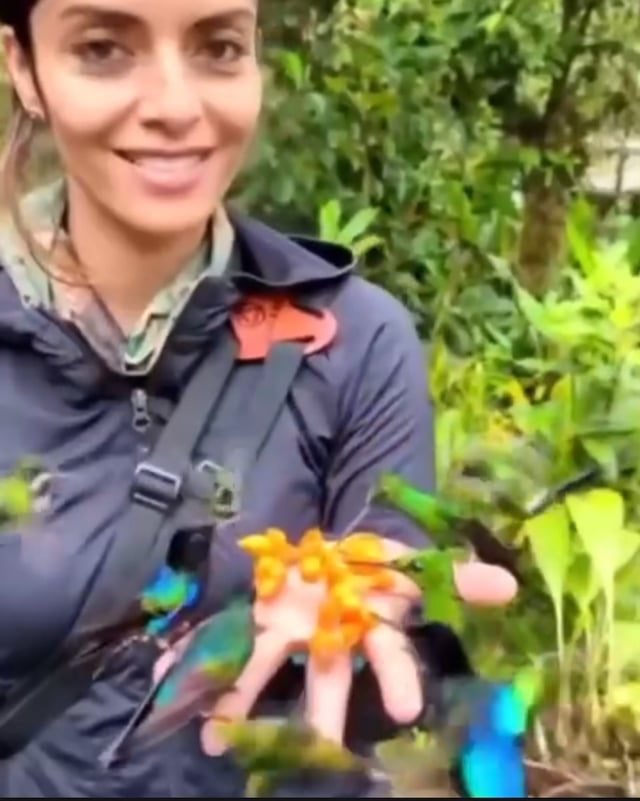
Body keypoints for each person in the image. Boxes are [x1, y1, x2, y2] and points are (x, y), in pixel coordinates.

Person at [0, 0, 518, 796]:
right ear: (23, 67)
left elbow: (395, 653)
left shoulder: (355, 337)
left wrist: (366, 621)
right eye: (103, 48)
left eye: (218, 45)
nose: (176, 107)